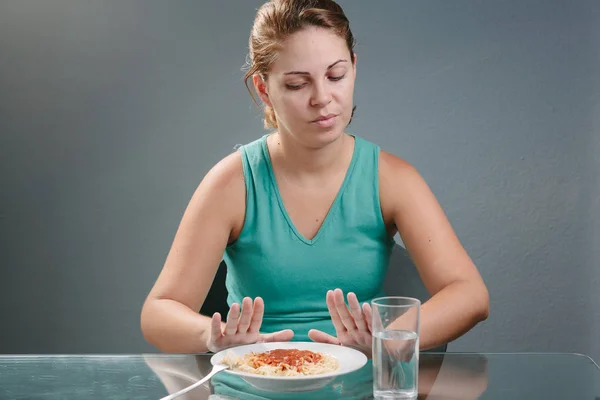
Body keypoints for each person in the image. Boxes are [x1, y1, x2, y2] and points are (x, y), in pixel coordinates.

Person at [140, 0, 489, 357]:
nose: (323, 98)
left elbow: (470, 295)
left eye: (335, 76)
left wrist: (386, 338)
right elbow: (158, 312)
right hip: (253, 389)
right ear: (264, 90)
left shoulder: (393, 179)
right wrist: (213, 337)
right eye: (296, 84)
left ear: (354, 68)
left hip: (360, 391)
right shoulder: (231, 183)